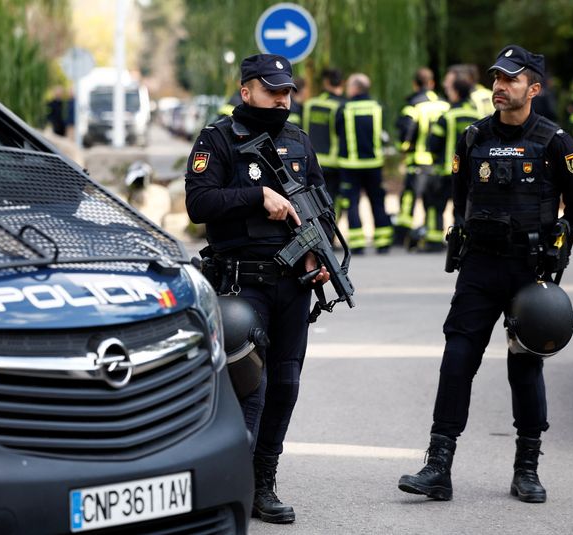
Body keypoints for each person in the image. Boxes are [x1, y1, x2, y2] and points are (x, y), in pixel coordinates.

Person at [398, 45, 573, 504]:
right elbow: (461, 198)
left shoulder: (554, 142)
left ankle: (526, 469)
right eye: (496, 79)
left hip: (529, 272)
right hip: (480, 268)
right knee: (457, 360)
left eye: (510, 80)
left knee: (524, 369)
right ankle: (437, 467)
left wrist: (557, 244)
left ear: (534, 88)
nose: (499, 87)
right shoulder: (473, 138)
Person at [185, 53, 331, 524]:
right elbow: (198, 202)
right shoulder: (219, 138)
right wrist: (256, 196)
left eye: (287, 92)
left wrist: (318, 252)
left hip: (293, 285)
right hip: (240, 284)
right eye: (272, 92)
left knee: (286, 384)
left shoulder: (298, 141)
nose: (282, 101)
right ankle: (233, 482)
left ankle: (263, 480)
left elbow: (321, 207)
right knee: (252, 385)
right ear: (246, 90)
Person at [422, 74, 483, 252]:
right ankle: (463, 242)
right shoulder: (477, 115)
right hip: (470, 172)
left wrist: (435, 159)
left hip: (446, 171)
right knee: (462, 208)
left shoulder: (447, 116)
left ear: (455, 92)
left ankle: (433, 241)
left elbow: (434, 143)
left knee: (436, 205)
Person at [335, 73, 392, 253]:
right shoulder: (378, 107)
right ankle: (383, 242)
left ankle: (358, 244)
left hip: (350, 165)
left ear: (355, 88)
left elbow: (337, 130)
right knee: (378, 201)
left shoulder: (345, 108)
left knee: (351, 203)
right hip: (374, 164)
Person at [393, 68, 449, 247]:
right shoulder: (445, 104)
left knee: (409, 199)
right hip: (438, 162)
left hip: (418, 161)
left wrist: (403, 147)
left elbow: (406, 132)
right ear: (432, 83)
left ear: (415, 84)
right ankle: (433, 239)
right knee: (433, 201)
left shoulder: (413, 106)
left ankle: (401, 237)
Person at [303, 68, 346, 216]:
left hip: (311, 160)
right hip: (334, 163)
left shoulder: (310, 104)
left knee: (314, 200)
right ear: (342, 83)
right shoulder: (343, 106)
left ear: (325, 82)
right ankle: (331, 231)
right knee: (333, 200)